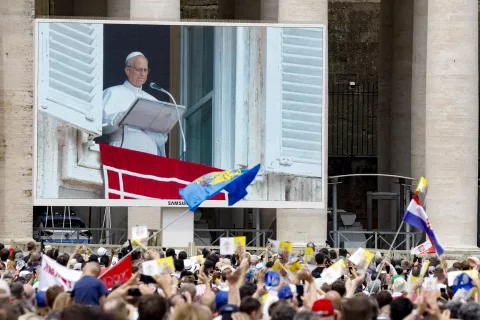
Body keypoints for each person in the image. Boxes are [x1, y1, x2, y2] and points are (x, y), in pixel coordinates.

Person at [102, 51, 168, 156]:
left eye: (145, 70)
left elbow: (161, 139)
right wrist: (124, 117)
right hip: (122, 151)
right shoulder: (112, 92)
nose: (142, 73)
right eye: (139, 69)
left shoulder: (153, 101)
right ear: (127, 70)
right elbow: (102, 126)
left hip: (150, 154)